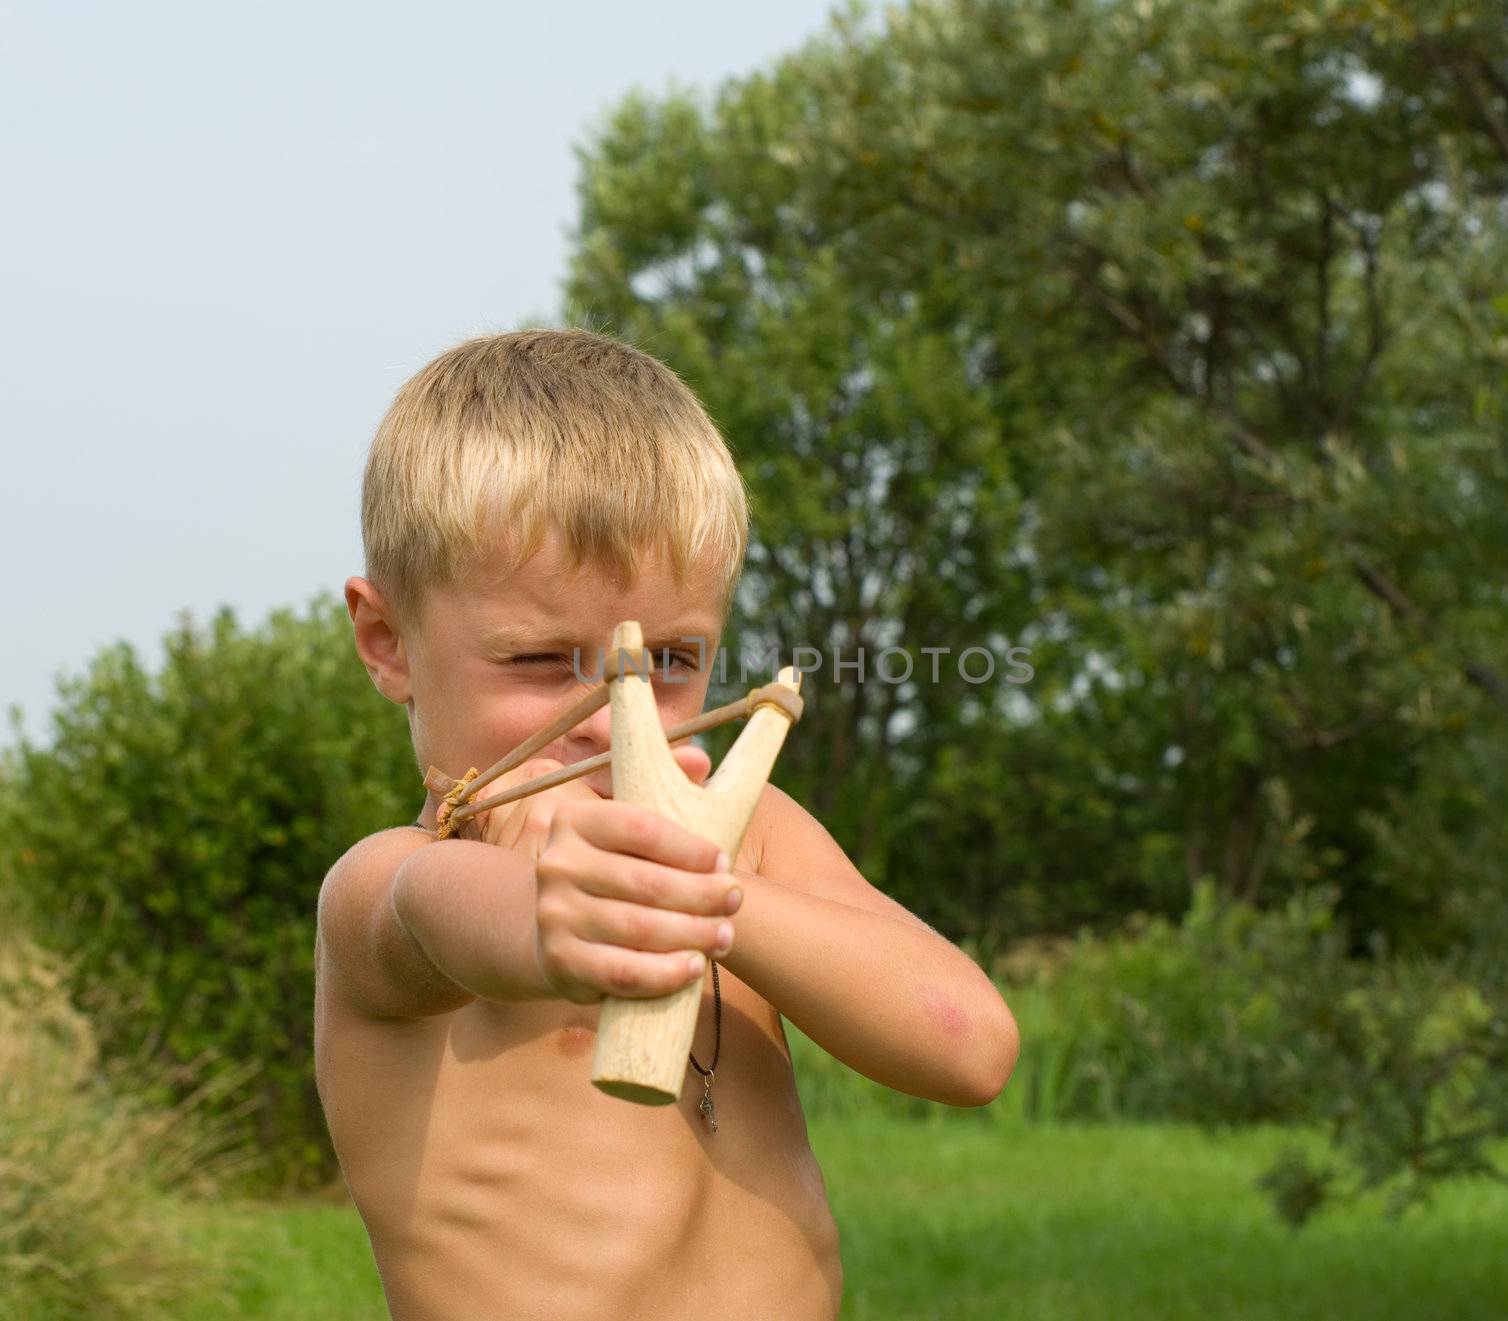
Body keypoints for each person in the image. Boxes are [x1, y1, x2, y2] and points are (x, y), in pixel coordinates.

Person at [315, 328, 1020, 1320]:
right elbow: (437, 914)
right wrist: (550, 907)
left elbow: (967, 1045)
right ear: (387, 641)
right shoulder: (388, 882)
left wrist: (709, 892)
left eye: (671, 664)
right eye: (537, 661)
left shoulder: (752, 839)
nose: (614, 718)